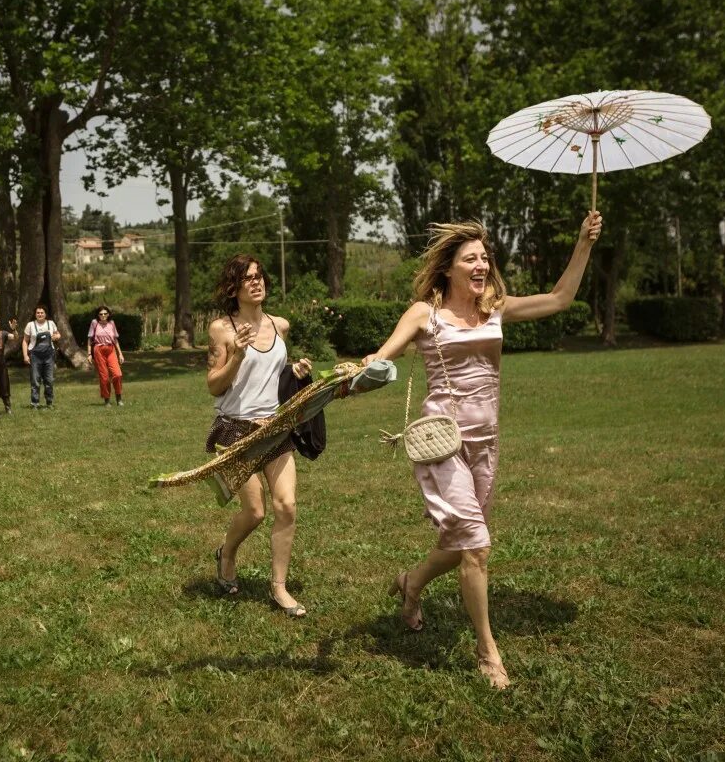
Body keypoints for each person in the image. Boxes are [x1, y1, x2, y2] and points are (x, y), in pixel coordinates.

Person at [363, 210, 602, 689]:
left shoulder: (495, 308)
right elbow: (381, 359)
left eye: (485, 258)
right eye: (470, 258)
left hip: (486, 442)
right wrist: (366, 366)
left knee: (460, 544)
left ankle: (411, 583)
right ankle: (487, 651)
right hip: (441, 442)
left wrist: (584, 243)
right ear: (448, 267)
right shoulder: (423, 314)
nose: (481, 265)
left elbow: (560, 298)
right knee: (477, 545)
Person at [206, 255, 312, 617]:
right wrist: (236, 354)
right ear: (234, 289)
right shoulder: (222, 329)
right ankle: (228, 552)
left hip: (275, 428)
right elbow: (213, 386)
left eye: (259, 276)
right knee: (254, 512)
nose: (257, 282)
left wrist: (294, 373)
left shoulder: (279, 325)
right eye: (247, 278)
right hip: (235, 429)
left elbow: (275, 376)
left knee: (287, 506)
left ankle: (279, 587)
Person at [22, 305, 60, 409]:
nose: (40, 314)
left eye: (42, 312)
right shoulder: (30, 325)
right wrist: (25, 356)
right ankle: (35, 403)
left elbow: (57, 334)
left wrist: (57, 336)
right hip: (35, 356)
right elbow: (25, 341)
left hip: (49, 356)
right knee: (35, 380)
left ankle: (49, 402)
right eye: (38, 313)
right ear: (35, 314)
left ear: (45, 314)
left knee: (49, 380)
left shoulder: (51, 323)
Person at [87, 305, 125, 406]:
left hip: (111, 349)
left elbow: (115, 340)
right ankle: (107, 400)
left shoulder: (111, 323)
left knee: (117, 374)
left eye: (105, 314)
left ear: (108, 314)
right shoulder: (94, 323)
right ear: (98, 315)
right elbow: (90, 339)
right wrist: (89, 354)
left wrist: (120, 354)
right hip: (98, 350)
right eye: (101, 314)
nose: (103, 315)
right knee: (104, 377)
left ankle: (119, 398)